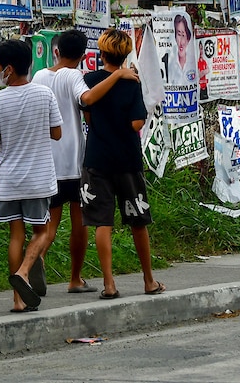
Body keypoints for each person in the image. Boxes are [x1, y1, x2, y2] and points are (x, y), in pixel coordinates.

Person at [31, 29, 138, 295]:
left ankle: (37, 259)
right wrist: (117, 75)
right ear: (82, 56)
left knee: (50, 223)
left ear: (56, 51)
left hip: (47, 160)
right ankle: (75, 278)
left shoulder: (39, 76)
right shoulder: (75, 76)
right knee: (80, 220)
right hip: (75, 160)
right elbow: (87, 99)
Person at [81, 27, 165, 298]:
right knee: (138, 220)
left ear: (101, 53)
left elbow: (89, 118)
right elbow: (136, 123)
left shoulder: (91, 79)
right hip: (127, 160)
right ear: (127, 54)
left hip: (96, 158)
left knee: (102, 222)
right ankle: (149, 280)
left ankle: (108, 284)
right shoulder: (131, 81)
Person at [0, 39, 62, 312]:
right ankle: (25, 271)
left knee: (15, 236)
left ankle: (17, 301)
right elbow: (57, 133)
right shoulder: (44, 95)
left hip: (9, 180)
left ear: (9, 69)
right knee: (41, 231)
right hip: (38, 179)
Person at [167, 15, 194, 86]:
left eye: (183, 35)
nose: (181, 42)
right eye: (179, 34)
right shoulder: (170, 62)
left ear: (188, 39)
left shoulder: (193, 62)